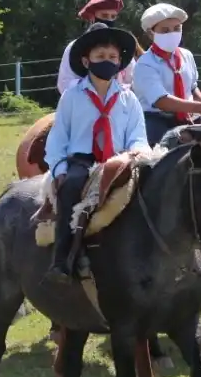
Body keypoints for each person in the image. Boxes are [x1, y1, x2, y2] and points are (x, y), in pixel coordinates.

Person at [44, 23, 149, 276]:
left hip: (121, 159)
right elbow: (58, 137)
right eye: (100, 57)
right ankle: (62, 259)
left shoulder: (128, 98)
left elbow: (138, 135)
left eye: (112, 57)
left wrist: (134, 154)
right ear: (86, 60)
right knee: (71, 187)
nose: (107, 61)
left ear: (120, 61)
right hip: (83, 161)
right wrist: (59, 168)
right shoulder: (72, 95)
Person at [132, 3, 201, 145]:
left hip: (189, 116)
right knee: (158, 155)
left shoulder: (186, 55)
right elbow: (162, 101)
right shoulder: (145, 64)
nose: (172, 33)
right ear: (151, 33)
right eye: (165, 30)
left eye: (177, 28)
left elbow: (193, 88)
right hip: (157, 118)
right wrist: (200, 108)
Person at [57, 0, 137, 95]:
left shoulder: (122, 47)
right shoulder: (75, 47)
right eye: (104, 15)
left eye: (113, 16)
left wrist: (119, 92)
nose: (109, 20)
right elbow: (64, 83)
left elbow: (133, 78)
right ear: (92, 18)